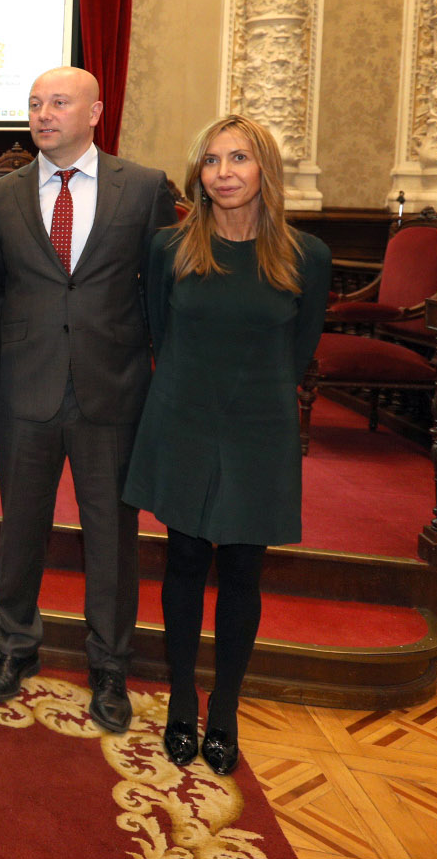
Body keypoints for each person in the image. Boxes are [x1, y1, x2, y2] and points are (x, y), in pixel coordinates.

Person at [124, 114, 330, 775]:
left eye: (238, 158)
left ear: (265, 169)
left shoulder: (307, 255)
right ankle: (183, 698)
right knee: (185, 558)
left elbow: (299, 349)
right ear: (199, 174)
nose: (224, 172)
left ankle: (226, 708)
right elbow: (159, 332)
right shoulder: (169, 247)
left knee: (243, 568)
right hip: (183, 416)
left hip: (259, 427)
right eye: (212, 160)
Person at [0, 66, 177, 733]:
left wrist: (157, 376)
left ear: (95, 112)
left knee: (112, 537)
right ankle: (15, 646)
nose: (43, 113)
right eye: (35, 103)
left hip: (112, 388)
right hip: (25, 386)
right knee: (20, 529)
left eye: (59, 102)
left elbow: (159, 290)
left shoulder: (143, 187)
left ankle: (110, 666)